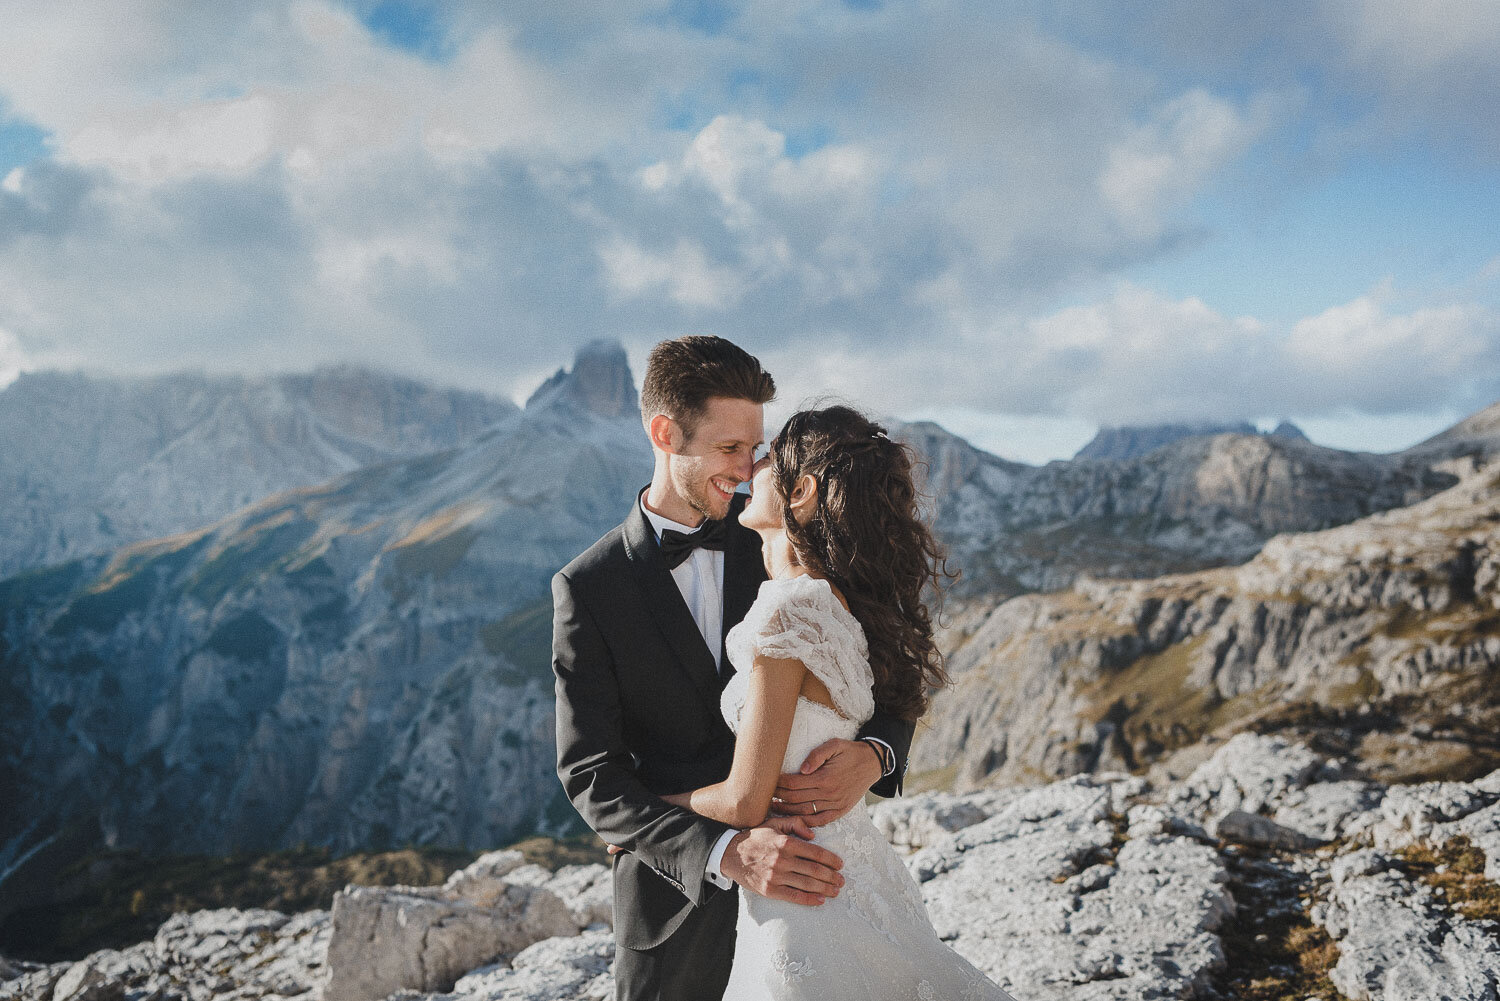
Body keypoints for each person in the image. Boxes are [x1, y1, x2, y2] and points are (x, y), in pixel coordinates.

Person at [552, 337, 916, 1001]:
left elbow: (892, 659)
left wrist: (877, 754)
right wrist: (722, 849)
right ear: (666, 433)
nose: (749, 469)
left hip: (813, 900)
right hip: (673, 910)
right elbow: (589, 771)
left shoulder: (790, 541)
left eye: (755, 448)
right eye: (730, 449)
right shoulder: (589, 586)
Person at [661, 405, 1021, 1000]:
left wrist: (646, 808)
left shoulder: (788, 610)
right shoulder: (840, 606)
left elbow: (748, 799)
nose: (751, 464)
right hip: (851, 873)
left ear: (800, 492)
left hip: (801, 892)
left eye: (769, 456)